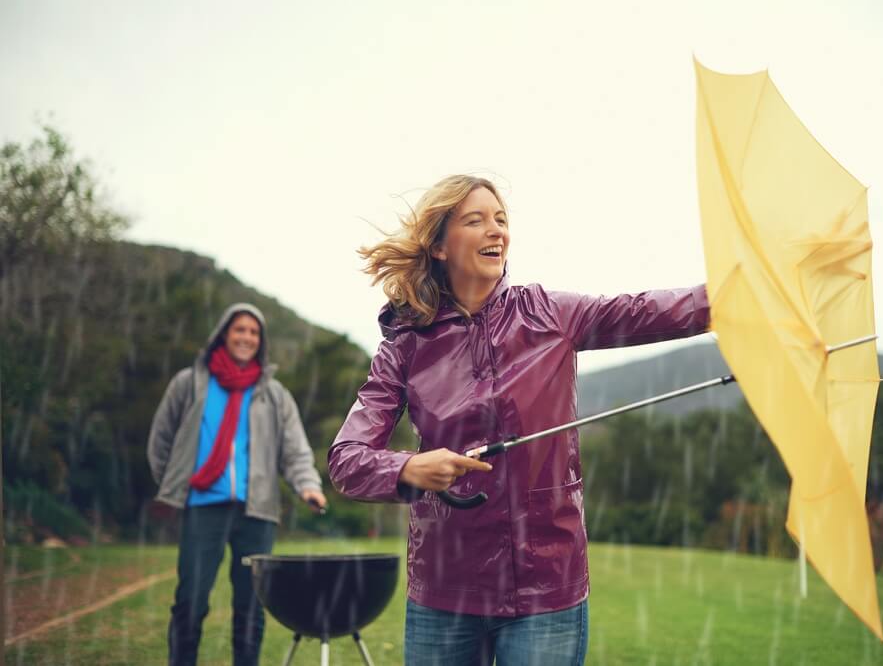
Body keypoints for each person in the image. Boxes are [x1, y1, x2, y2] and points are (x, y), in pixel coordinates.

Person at [327, 175, 710, 665]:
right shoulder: (405, 344)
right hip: (445, 590)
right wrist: (408, 469)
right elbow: (346, 460)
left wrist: (744, 293)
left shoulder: (549, 313)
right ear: (440, 246)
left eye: (501, 220)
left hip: (547, 587)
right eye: (476, 220)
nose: (496, 231)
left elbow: (648, 311)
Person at [148, 303, 327, 666]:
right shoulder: (190, 384)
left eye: (253, 332)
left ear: (260, 342)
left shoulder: (274, 394)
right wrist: (173, 486)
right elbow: (161, 441)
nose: (246, 337)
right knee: (191, 601)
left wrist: (307, 485)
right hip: (201, 507)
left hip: (256, 513)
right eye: (239, 330)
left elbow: (294, 450)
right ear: (223, 334)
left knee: (251, 607)